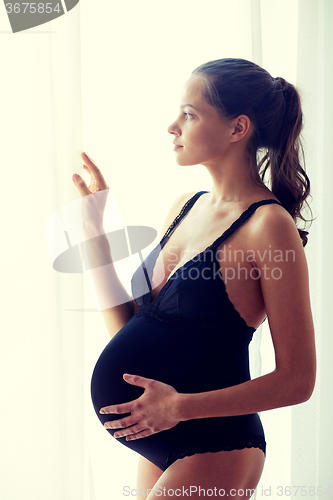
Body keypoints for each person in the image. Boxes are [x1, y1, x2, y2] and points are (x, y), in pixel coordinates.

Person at [72, 58, 316, 499]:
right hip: (158, 439)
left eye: (189, 114)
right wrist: (95, 233)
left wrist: (179, 407)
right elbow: (131, 330)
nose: (172, 127)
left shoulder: (268, 227)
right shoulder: (186, 205)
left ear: (237, 128)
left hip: (215, 444)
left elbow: (298, 380)